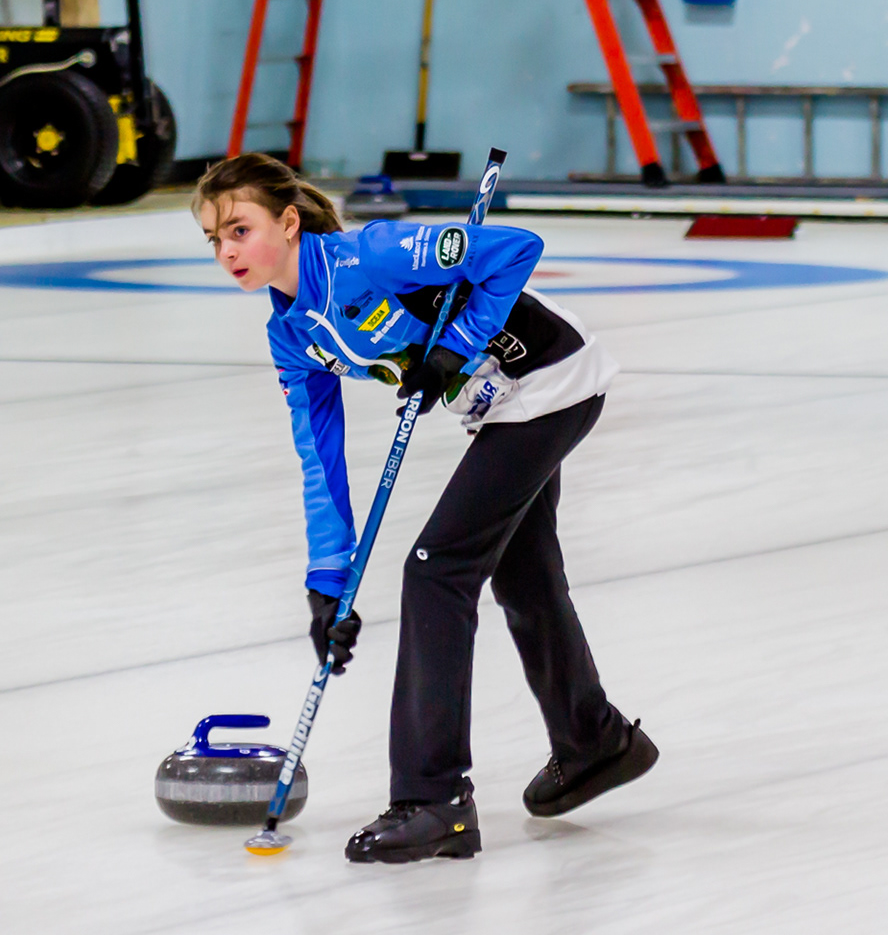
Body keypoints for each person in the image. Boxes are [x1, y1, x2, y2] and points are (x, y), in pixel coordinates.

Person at [194, 153, 656, 863]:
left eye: (239, 230)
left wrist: (457, 346)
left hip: (547, 379)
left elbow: (515, 249)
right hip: (501, 407)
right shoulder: (291, 333)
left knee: (438, 568)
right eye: (214, 239)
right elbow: (319, 458)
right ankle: (595, 741)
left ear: (287, 223)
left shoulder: (373, 254)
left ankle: (434, 799)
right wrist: (328, 584)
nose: (227, 251)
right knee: (523, 574)